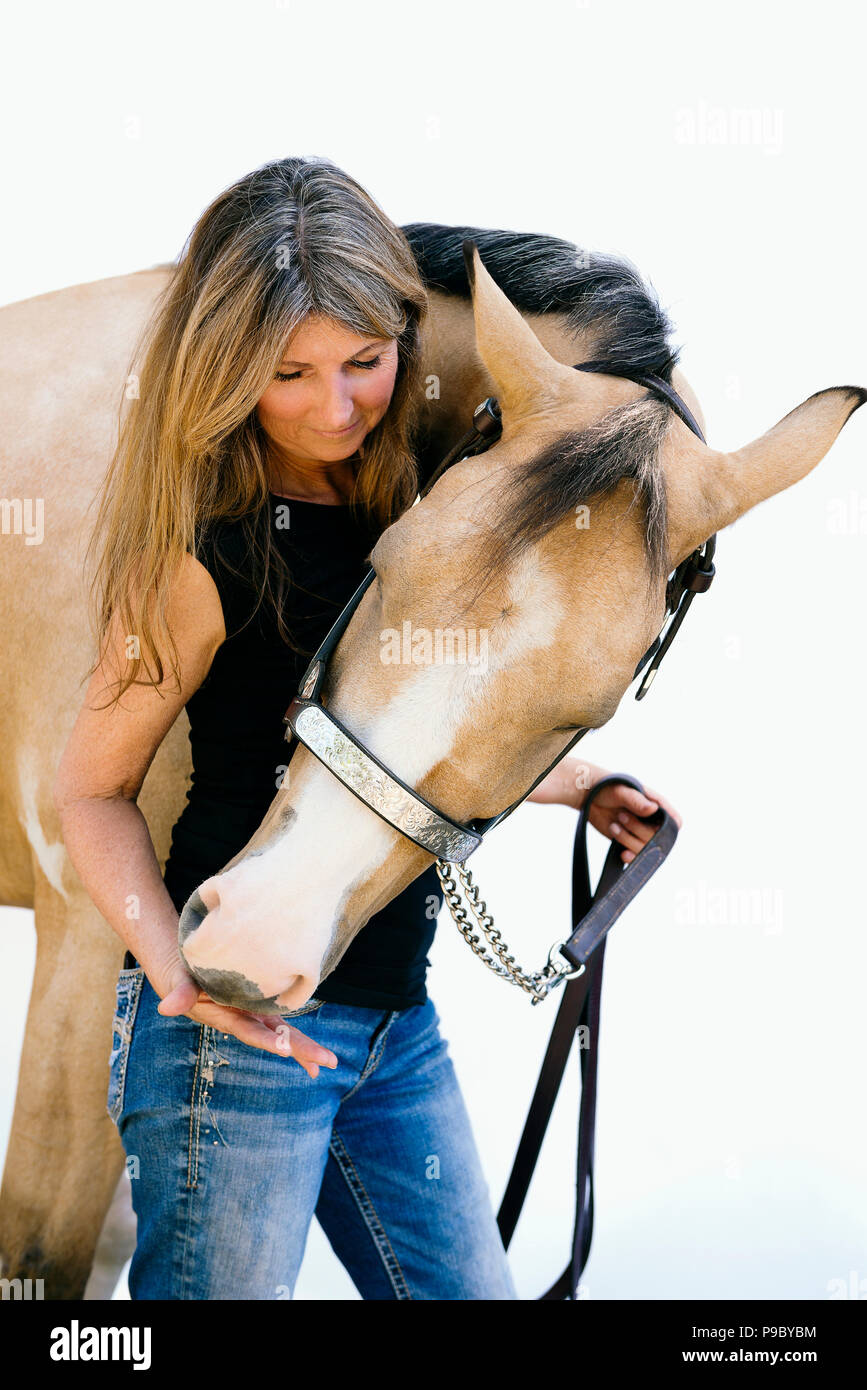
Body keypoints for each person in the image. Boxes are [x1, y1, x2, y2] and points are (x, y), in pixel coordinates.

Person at [53, 155, 681, 1300]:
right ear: (228, 367)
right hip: (234, 1035)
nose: (332, 407)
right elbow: (89, 789)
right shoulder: (204, 547)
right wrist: (173, 975)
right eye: (286, 373)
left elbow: (409, 726)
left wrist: (578, 780)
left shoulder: (426, 509)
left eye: (363, 362)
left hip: (394, 1026)